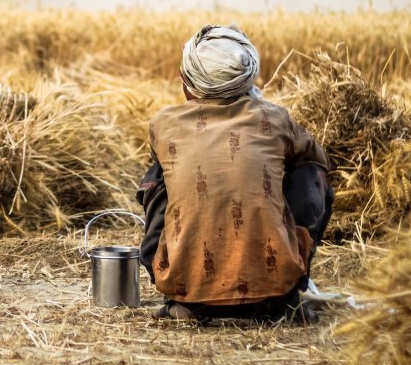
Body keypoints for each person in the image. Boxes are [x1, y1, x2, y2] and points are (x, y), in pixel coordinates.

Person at [138, 24, 333, 323]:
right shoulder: (276, 118)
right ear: (247, 79)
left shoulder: (163, 124)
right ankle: (288, 287)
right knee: (309, 170)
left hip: (187, 292)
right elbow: (319, 162)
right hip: (273, 298)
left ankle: (182, 291)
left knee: (160, 174)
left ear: (186, 82)